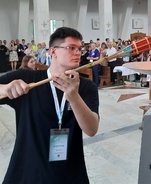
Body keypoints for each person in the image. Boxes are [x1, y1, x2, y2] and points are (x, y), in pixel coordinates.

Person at [0, 27, 99, 183]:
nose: (78, 52)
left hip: (70, 173)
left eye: (80, 48)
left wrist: (73, 97)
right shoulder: (28, 78)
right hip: (28, 171)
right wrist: (5, 88)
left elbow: (92, 129)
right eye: (71, 48)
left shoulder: (86, 87)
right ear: (52, 51)